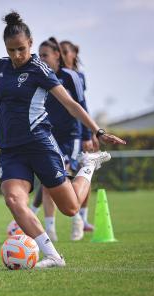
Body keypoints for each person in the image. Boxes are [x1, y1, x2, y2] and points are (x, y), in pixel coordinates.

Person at [0, 11, 126, 268]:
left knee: (70, 208)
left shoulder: (39, 70)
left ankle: (88, 165)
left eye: (21, 49)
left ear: (30, 44)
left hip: (40, 145)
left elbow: (70, 104)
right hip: (11, 150)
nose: (16, 55)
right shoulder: (0, 67)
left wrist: (98, 131)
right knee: (13, 200)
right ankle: (54, 256)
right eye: (11, 50)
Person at [28, 37, 92, 241]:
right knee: (48, 182)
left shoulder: (71, 77)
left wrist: (89, 134)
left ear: (57, 55)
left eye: (45, 55)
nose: (41, 59)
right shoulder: (38, 76)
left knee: (66, 179)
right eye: (39, 55)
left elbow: (81, 106)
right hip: (48, 135)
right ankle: (50, 230)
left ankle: (77, 220)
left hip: (70, 136)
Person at [61, 40, 98, 232]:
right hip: (56, 133)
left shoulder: (76, 77)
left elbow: (82, 106)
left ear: (74, 53)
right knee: (57, 175)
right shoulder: (52, 75)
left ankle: (81, 218)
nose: (62, 55)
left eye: (65, 52)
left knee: (70, 173)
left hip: (75, 133)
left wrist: (88, 134)